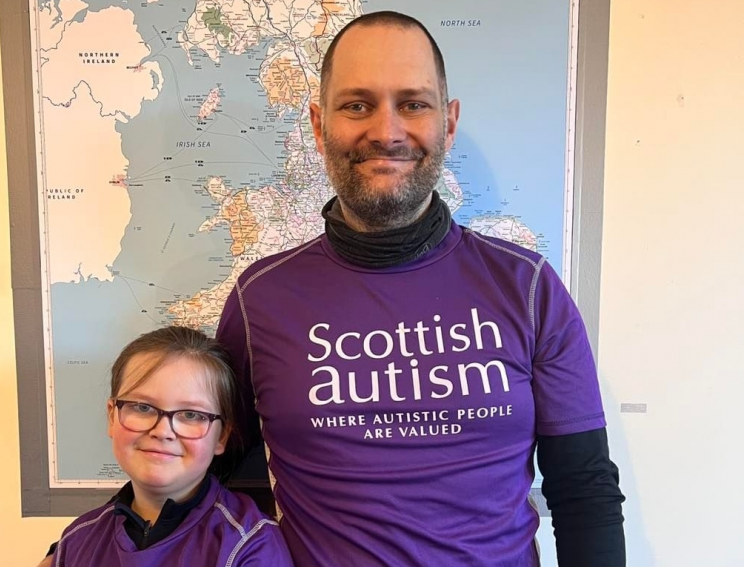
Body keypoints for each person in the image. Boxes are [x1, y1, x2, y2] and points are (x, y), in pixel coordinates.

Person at [216, 10, 626, 567]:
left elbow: (584, 489)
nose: (386, 132)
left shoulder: (529, 290)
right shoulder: (258, 300)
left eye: (413, 104)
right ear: (318, 124)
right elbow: (202, 470)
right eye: (356, 105)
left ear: (448, 123)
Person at [43, 326, 293, 566]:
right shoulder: (76, 542)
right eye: (142, 407)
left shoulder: (251, 545)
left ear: (221, 436)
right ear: (112, 417)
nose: (162, 431)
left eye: (191, 415)